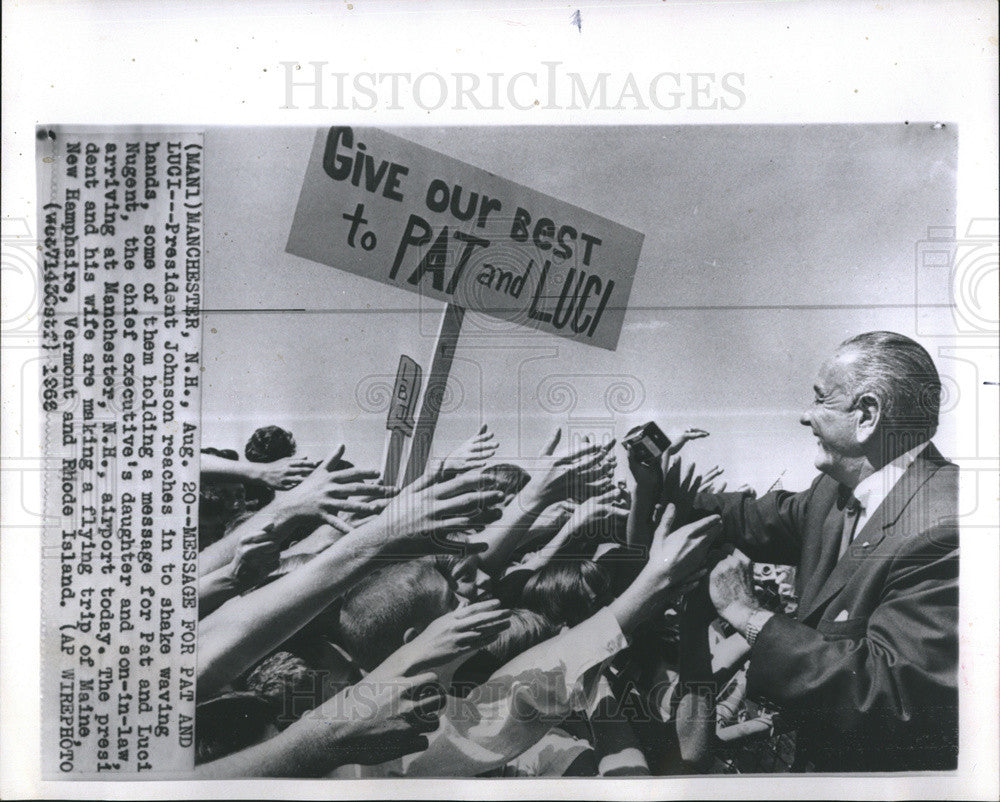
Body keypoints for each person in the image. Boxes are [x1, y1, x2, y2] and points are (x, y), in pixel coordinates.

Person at [687, 331, 958, 772]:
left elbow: (890, 693)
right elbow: (749, 518)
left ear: (867, 414)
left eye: (820, 400)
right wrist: (651, 491)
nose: (804, 416)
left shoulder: (945, 525)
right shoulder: (832, 494)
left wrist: (746, 613)